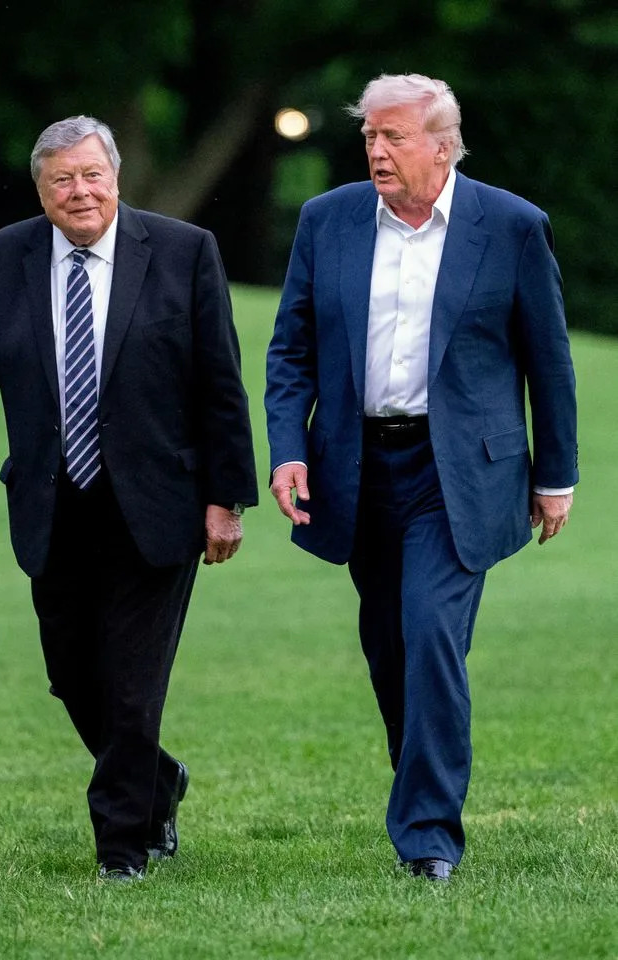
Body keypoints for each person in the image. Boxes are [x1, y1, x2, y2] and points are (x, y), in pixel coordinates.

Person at [0, 115, 258, 883]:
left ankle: (122, 849)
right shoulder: (0, 259)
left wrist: (226, 499)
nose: (79, 192)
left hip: (159, 503)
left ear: (116, 178)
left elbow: (219, 385)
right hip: (53, 502)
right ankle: (158, 781)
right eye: (61, 180)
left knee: (134, 682)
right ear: (41, 191)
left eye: (91, 175)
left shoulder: (182, 251)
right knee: (75, 677)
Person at [265, 74, 577, 882]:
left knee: (432, 631)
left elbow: (548, 359)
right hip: (357, 466)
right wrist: (286, 449)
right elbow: (290, 350)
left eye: (392, 136)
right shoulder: (325, 221)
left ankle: (428, 837)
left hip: (461, 473)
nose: (375, 149)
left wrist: (557, 476)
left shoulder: (509, 226)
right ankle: (421, 769)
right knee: (389, 643)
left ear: (442, 145)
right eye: (368, 136)